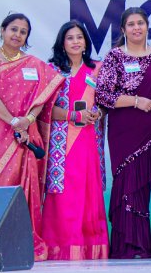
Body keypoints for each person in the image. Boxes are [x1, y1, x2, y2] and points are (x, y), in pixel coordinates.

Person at [0, 13, 63, 261]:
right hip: (0, 131)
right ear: (2, 30)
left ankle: (24, 240)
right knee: (2, 183)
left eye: (23, 31)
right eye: (13, 29)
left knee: (27, 185)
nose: (17, 35)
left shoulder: (34, 64)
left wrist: (28, 119)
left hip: (27, 132)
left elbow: (43, 97)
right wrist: (13, 122)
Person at [94, 7, 151, 259]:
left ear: (147, 27)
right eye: (131, 24)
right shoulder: (115, 57)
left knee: (143, 186)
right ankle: (126, 245)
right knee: (126, 184)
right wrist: (136, 101)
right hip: (124, 131)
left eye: (140, 23)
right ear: (123, 29)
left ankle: (141, 244)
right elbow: (103, 95)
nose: (136, 28)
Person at [42, 21, 108, 260]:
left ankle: (89, 248)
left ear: (86, 42)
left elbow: (104, 103)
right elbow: (45, 109)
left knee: (88, 190)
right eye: (70, 38)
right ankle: (60, 246)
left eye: (79, 37)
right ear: (62, 43)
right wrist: (73, 115)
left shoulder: (97, 68)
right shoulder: (52, 70)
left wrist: (97, 113)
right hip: (62, 142)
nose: (75, 42)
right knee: (64, 193)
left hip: (89, 139)